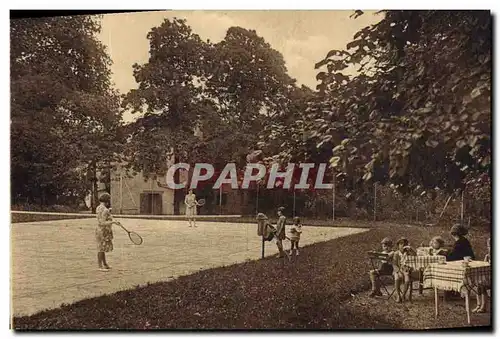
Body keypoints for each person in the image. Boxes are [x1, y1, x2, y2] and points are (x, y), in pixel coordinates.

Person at [95, 193, 117, 271]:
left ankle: (105, 264)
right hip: (103, 231)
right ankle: (100, 266)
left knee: (102, 247)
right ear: (107, 201)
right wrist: (113, 222)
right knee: (101, 248)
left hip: (98, 230)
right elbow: (102, 222)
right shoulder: (105, 210)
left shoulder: (98, 208)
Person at [473, 237, 491, 313]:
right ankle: (478, 305)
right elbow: (483, 265)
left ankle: (483, 306)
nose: (490, 248)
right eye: (489, 247)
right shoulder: (488, 256)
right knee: (478, 284)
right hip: (487, 277)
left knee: (482, 285)